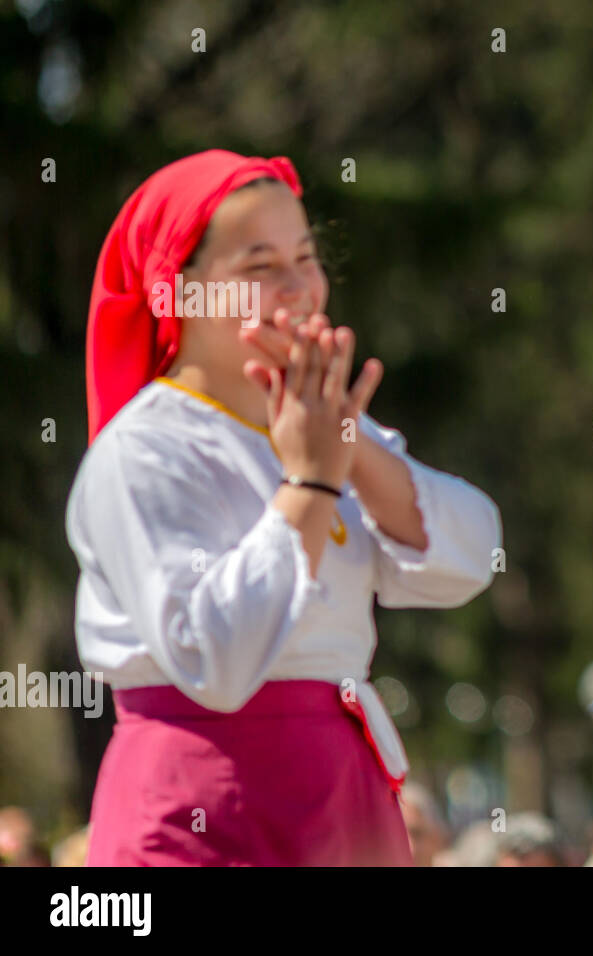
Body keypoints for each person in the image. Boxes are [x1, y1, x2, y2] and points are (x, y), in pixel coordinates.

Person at [66, 149, 502, 865]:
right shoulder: (144, 448)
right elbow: (213, 659)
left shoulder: (324, 430)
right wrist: (310, 486)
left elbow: (473, 556)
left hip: (340, 799)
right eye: (260, 267)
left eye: (306, 256)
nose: (300, 287)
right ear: (182, 294)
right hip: (202, 800)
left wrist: (346, 445)